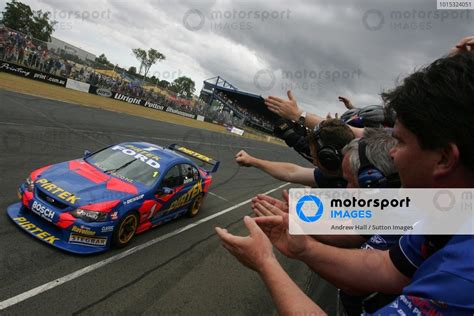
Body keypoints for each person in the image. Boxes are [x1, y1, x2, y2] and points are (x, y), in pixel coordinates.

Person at [217, 50, 474, 314]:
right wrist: (304, 246)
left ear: (444, 158)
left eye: (399, 141)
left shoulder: (464, 278)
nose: (392, 152)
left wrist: (265, 262)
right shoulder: (449, 210)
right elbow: (386, 268)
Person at [235, 119, 354, 188]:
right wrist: (251, 161)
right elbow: (292, 172)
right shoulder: (335, 173)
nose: (314, 162)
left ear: (328, 158)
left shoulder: (367, 185)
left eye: (316, 158)